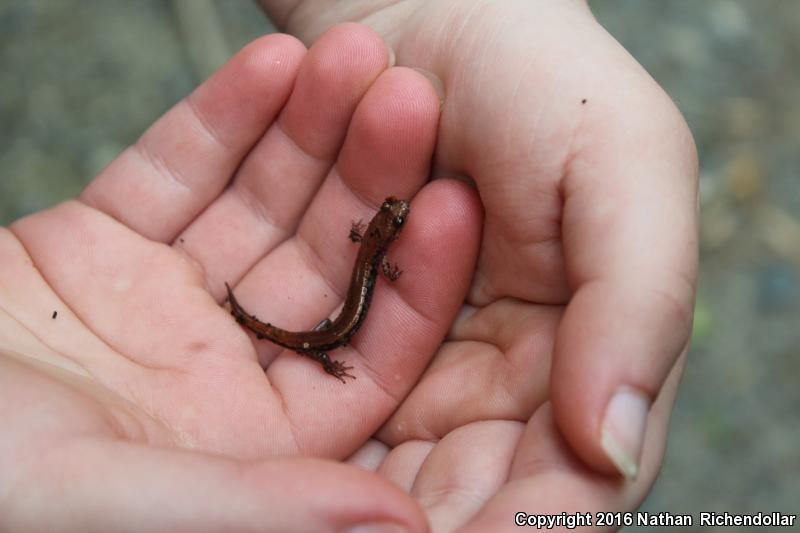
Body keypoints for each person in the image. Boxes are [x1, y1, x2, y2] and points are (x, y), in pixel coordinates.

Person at [0, 1, 697, 530]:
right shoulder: (377, 252)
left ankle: (250, 314)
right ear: (388, 232)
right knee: (310, 337)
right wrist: (336, 342)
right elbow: (374, 265)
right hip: (334, 329)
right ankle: (251, 316)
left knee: (309, 331)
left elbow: (368, 252)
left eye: (390, 222)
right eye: (392, 221)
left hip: (336, 321)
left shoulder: (373, 242)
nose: (390, 223)